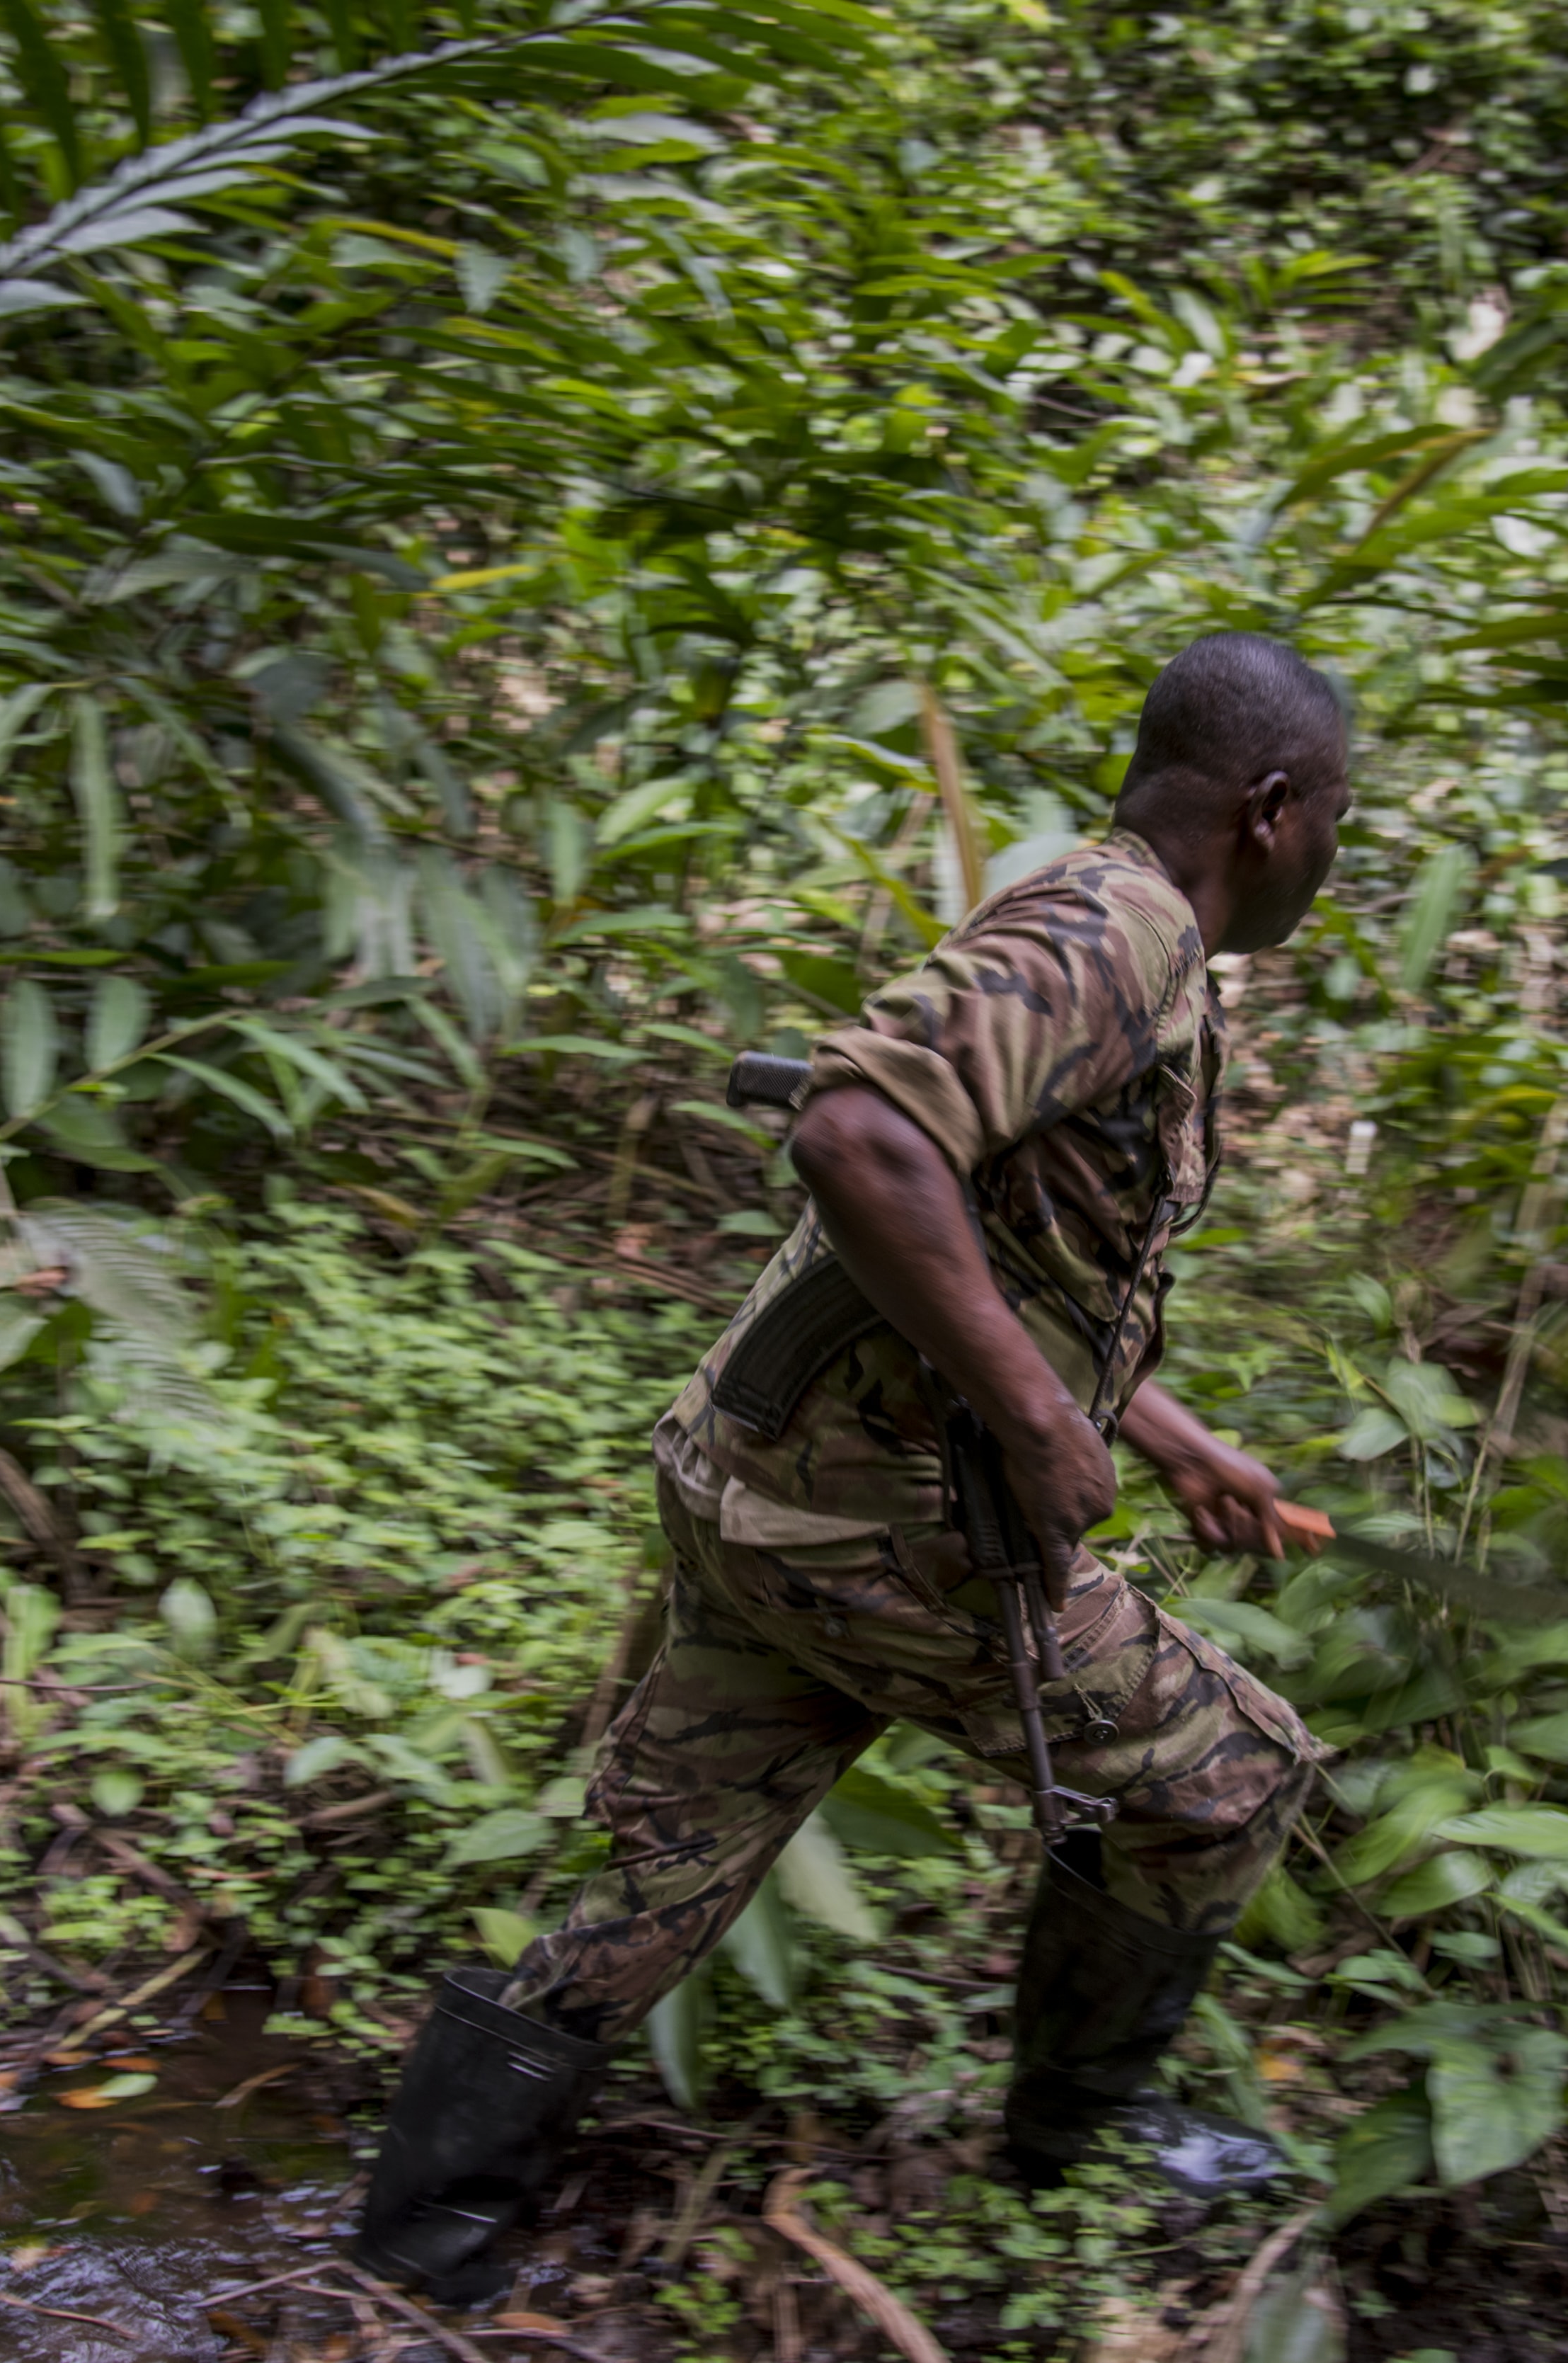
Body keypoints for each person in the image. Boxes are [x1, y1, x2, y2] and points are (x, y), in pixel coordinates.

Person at [353, 633, 1357, 2302]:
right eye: (1335, 818)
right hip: (887, 1526)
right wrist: (1045, 1428)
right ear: (1268, 808)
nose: (1332, 854)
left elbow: (1001, 1223)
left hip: (763, 1488)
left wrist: (1158, 1429)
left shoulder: (1093, 912)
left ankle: (419, 2243)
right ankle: (1072, 2148)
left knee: (667, 1873)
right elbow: (861, 1132)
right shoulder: (1120, 930)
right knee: (1231, 1782)